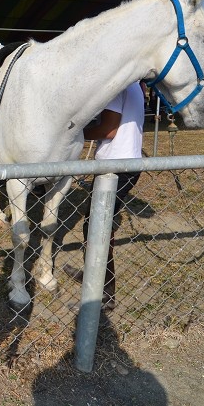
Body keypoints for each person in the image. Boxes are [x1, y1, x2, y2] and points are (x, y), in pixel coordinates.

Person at [63, 81, 145, 310]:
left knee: (96, 229)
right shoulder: (135, 86)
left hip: (116, 167)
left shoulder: (116, 87)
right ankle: (93, 275)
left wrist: (74, 133)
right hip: (125, 164)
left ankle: (105, 293)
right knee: (96, 226)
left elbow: (109, 130)